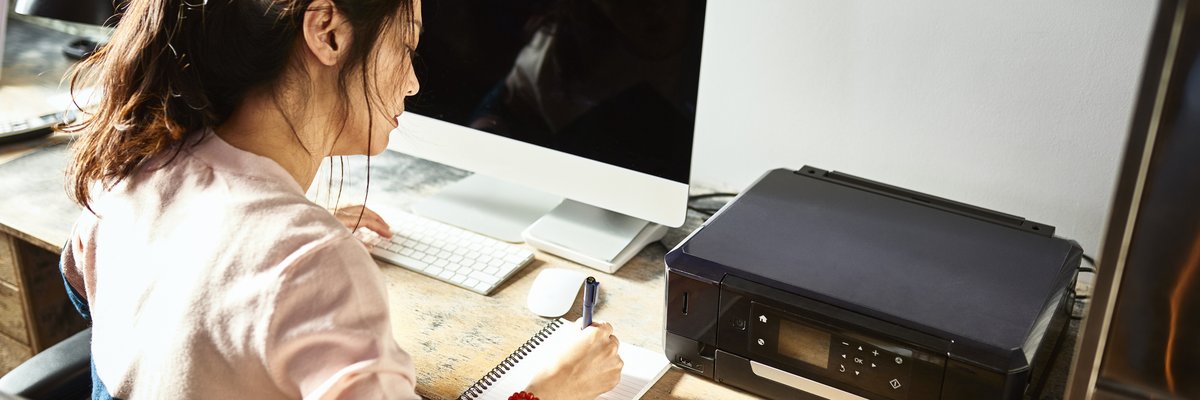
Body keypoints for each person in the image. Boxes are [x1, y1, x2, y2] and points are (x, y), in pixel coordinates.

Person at [58, 0, 622, 399]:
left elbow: (89, 285)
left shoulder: (133, 163)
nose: (413, 82)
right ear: (327, 31)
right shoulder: (310, 263)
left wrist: (246, 258)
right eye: (406, 46)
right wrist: (547, 391)